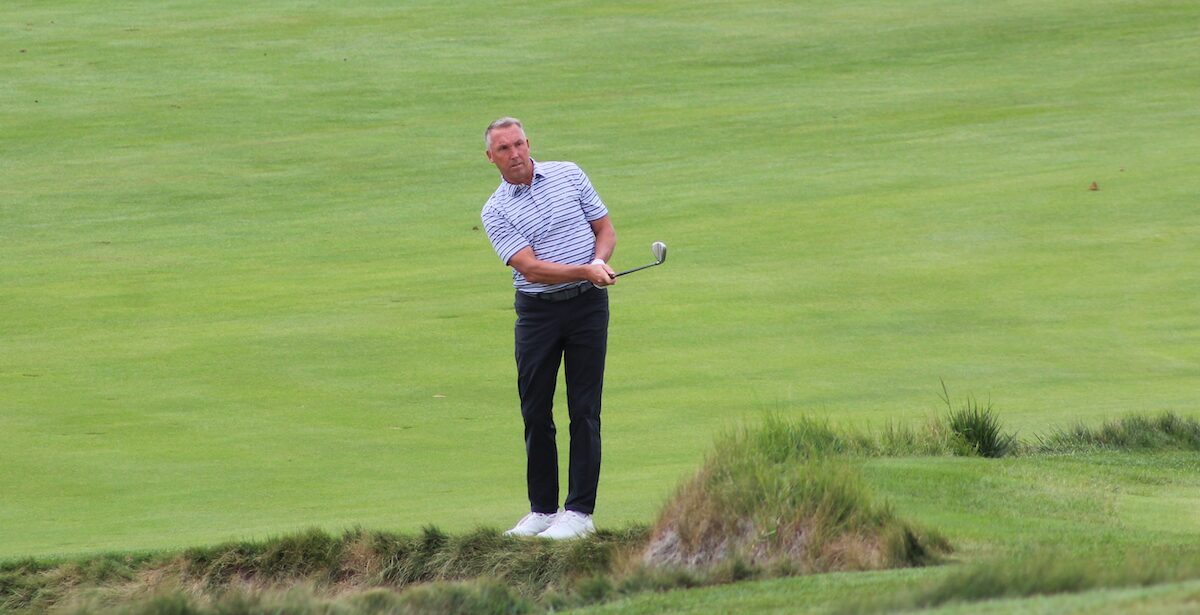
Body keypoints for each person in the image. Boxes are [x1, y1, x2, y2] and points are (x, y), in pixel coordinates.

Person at [479, 117, 617, 540]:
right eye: (504, 149)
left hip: (587, 308)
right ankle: (542, 509)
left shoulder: (569, 173)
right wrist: (585, 269)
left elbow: (605, 230)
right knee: (535, 410)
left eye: (519, 143)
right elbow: (531, 269)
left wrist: (598, 261)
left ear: (528, 142)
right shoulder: (495, 209)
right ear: (491, 158)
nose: (515, 153)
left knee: (584, 408)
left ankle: (579, 513)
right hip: (537, 313)